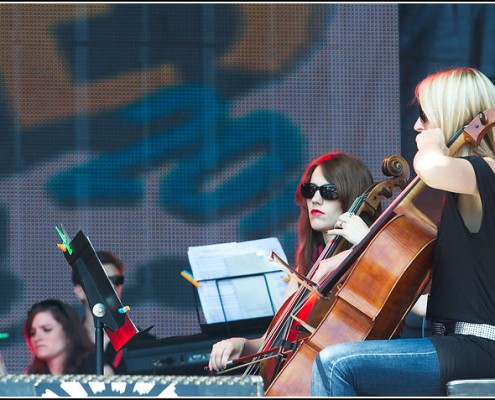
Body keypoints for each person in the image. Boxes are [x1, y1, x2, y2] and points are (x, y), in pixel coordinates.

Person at [311, 67, 495, 396]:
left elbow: (431, 166)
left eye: (424, 115)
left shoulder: (486, 170)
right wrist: (355, 258)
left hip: (477, 348)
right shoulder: (463, 186)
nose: (416, 126)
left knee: (336, 365)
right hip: (450, 342)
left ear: (449, 115)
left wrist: (432, 143)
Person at [208, 152, 377, 372]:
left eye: (328, 192)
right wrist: (242, 344)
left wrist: (367, 245)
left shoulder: (372, 261)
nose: (315, 199)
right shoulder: (308, 264)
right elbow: (272, 340)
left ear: (351, 197)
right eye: (310, 190)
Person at [72, 250, 155, 374]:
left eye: (117, 280)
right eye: (102, 281)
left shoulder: (144, 344)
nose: (111, 287)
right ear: (80, 291)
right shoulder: (66, 343)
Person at [23, 298, 113, 375]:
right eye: (32, 333)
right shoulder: (30, 378)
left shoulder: (98, 371)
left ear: (68, 333)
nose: (37, 338)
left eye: (47, 329)